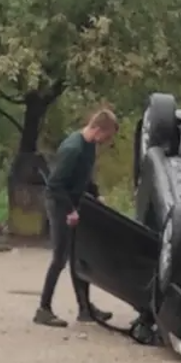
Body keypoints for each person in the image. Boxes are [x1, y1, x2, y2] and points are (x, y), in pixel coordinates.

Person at [33, 108, 120, 328]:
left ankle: (85, 308)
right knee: (60, 257)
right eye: (107, 137)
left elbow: (85, 175)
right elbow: (55, 185)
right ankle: (43, 308)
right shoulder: (73, 148)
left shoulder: (89, 145)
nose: (106, 142)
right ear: (98, 129)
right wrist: (70, 210)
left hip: (74, 201)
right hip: (59, 203)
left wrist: (96, 194)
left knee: (79, 255)